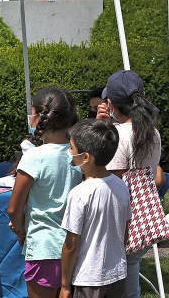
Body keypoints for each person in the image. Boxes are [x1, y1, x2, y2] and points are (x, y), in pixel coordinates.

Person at [7, 87, 83, 298]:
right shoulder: (80, 155)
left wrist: (21, 231)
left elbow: (14, 208)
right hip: (75, 245)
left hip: (43, 247)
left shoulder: (34, 157)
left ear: (38, 117)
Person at [96, 70, 162, 298]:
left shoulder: (117, 134)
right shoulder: (152, 132)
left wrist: (102, 131)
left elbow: (110, 181)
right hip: (144, 218)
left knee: (120, 284)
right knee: (130, 273)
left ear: (110, 103)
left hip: (121, 221)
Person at [60, 119, 131, 298]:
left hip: (88, 279)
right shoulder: (121, 185)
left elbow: (71, 244)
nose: (69, 152)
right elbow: (125, 229)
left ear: (85, 157)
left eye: (72, 148)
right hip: (117, 274)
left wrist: (65, 285)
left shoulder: (79, 194)